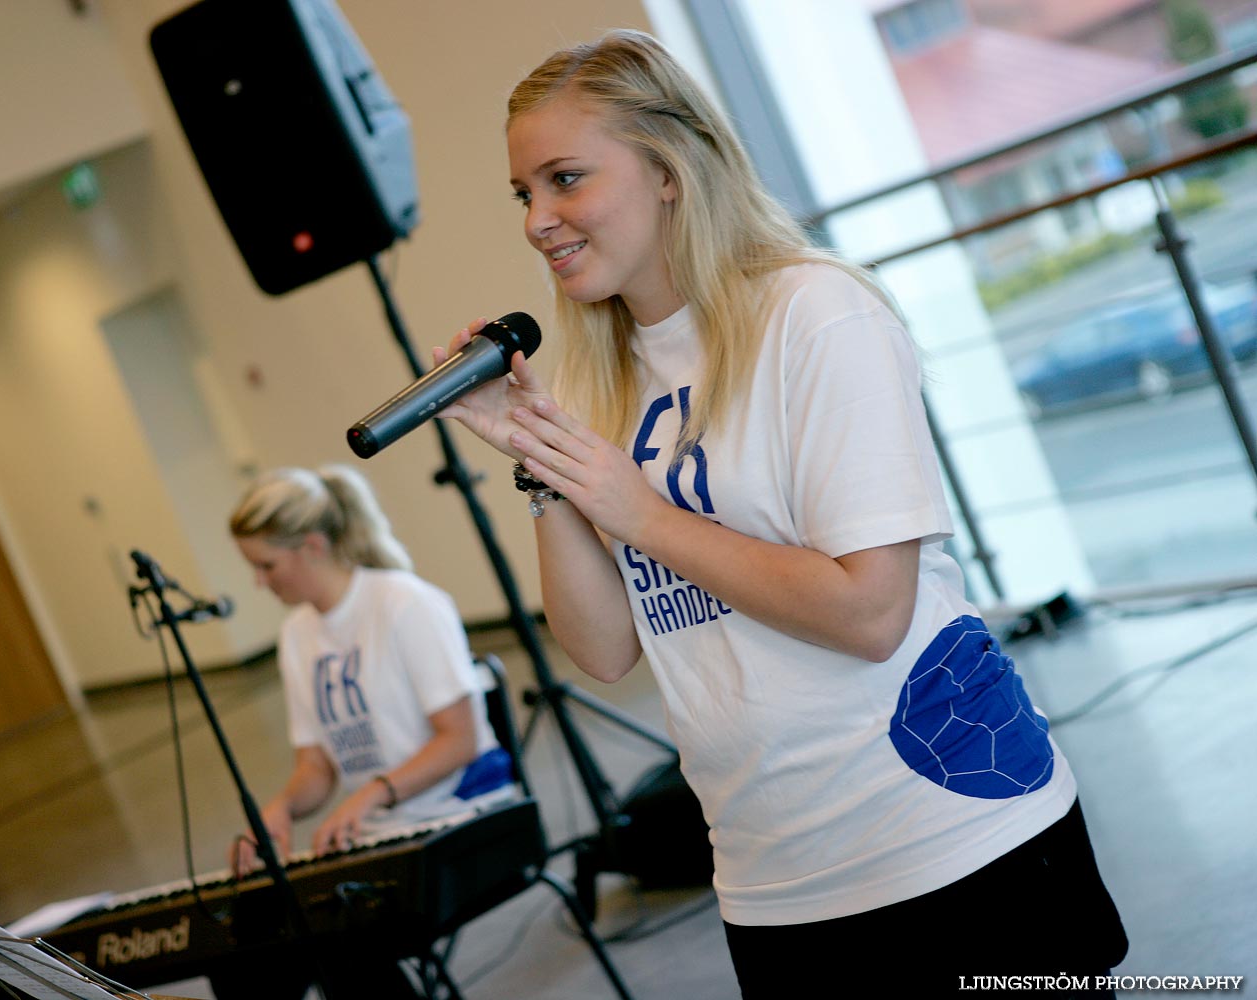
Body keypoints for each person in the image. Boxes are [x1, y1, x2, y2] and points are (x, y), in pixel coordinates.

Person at [434, 28, 1127, 994]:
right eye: (524, 193)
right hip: (776, 882)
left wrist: (640, 512)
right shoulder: (604, 375)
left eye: (564, 179)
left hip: (952, 838)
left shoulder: (815, 315)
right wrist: (539, 458)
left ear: (669, 168)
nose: (537, 219)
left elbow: (870, 613)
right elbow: (602, 651)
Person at [220, 465, 513, 998]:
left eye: (266, 565)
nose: (260, 583)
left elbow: (461, 738)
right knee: (246, 947)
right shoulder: (296, 635)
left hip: (465, 819)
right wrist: (280, 810)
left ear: (312, 546)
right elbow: (316, 766)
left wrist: (370, 796)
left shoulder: (404, 602)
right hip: (385, 834)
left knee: (337, 937)